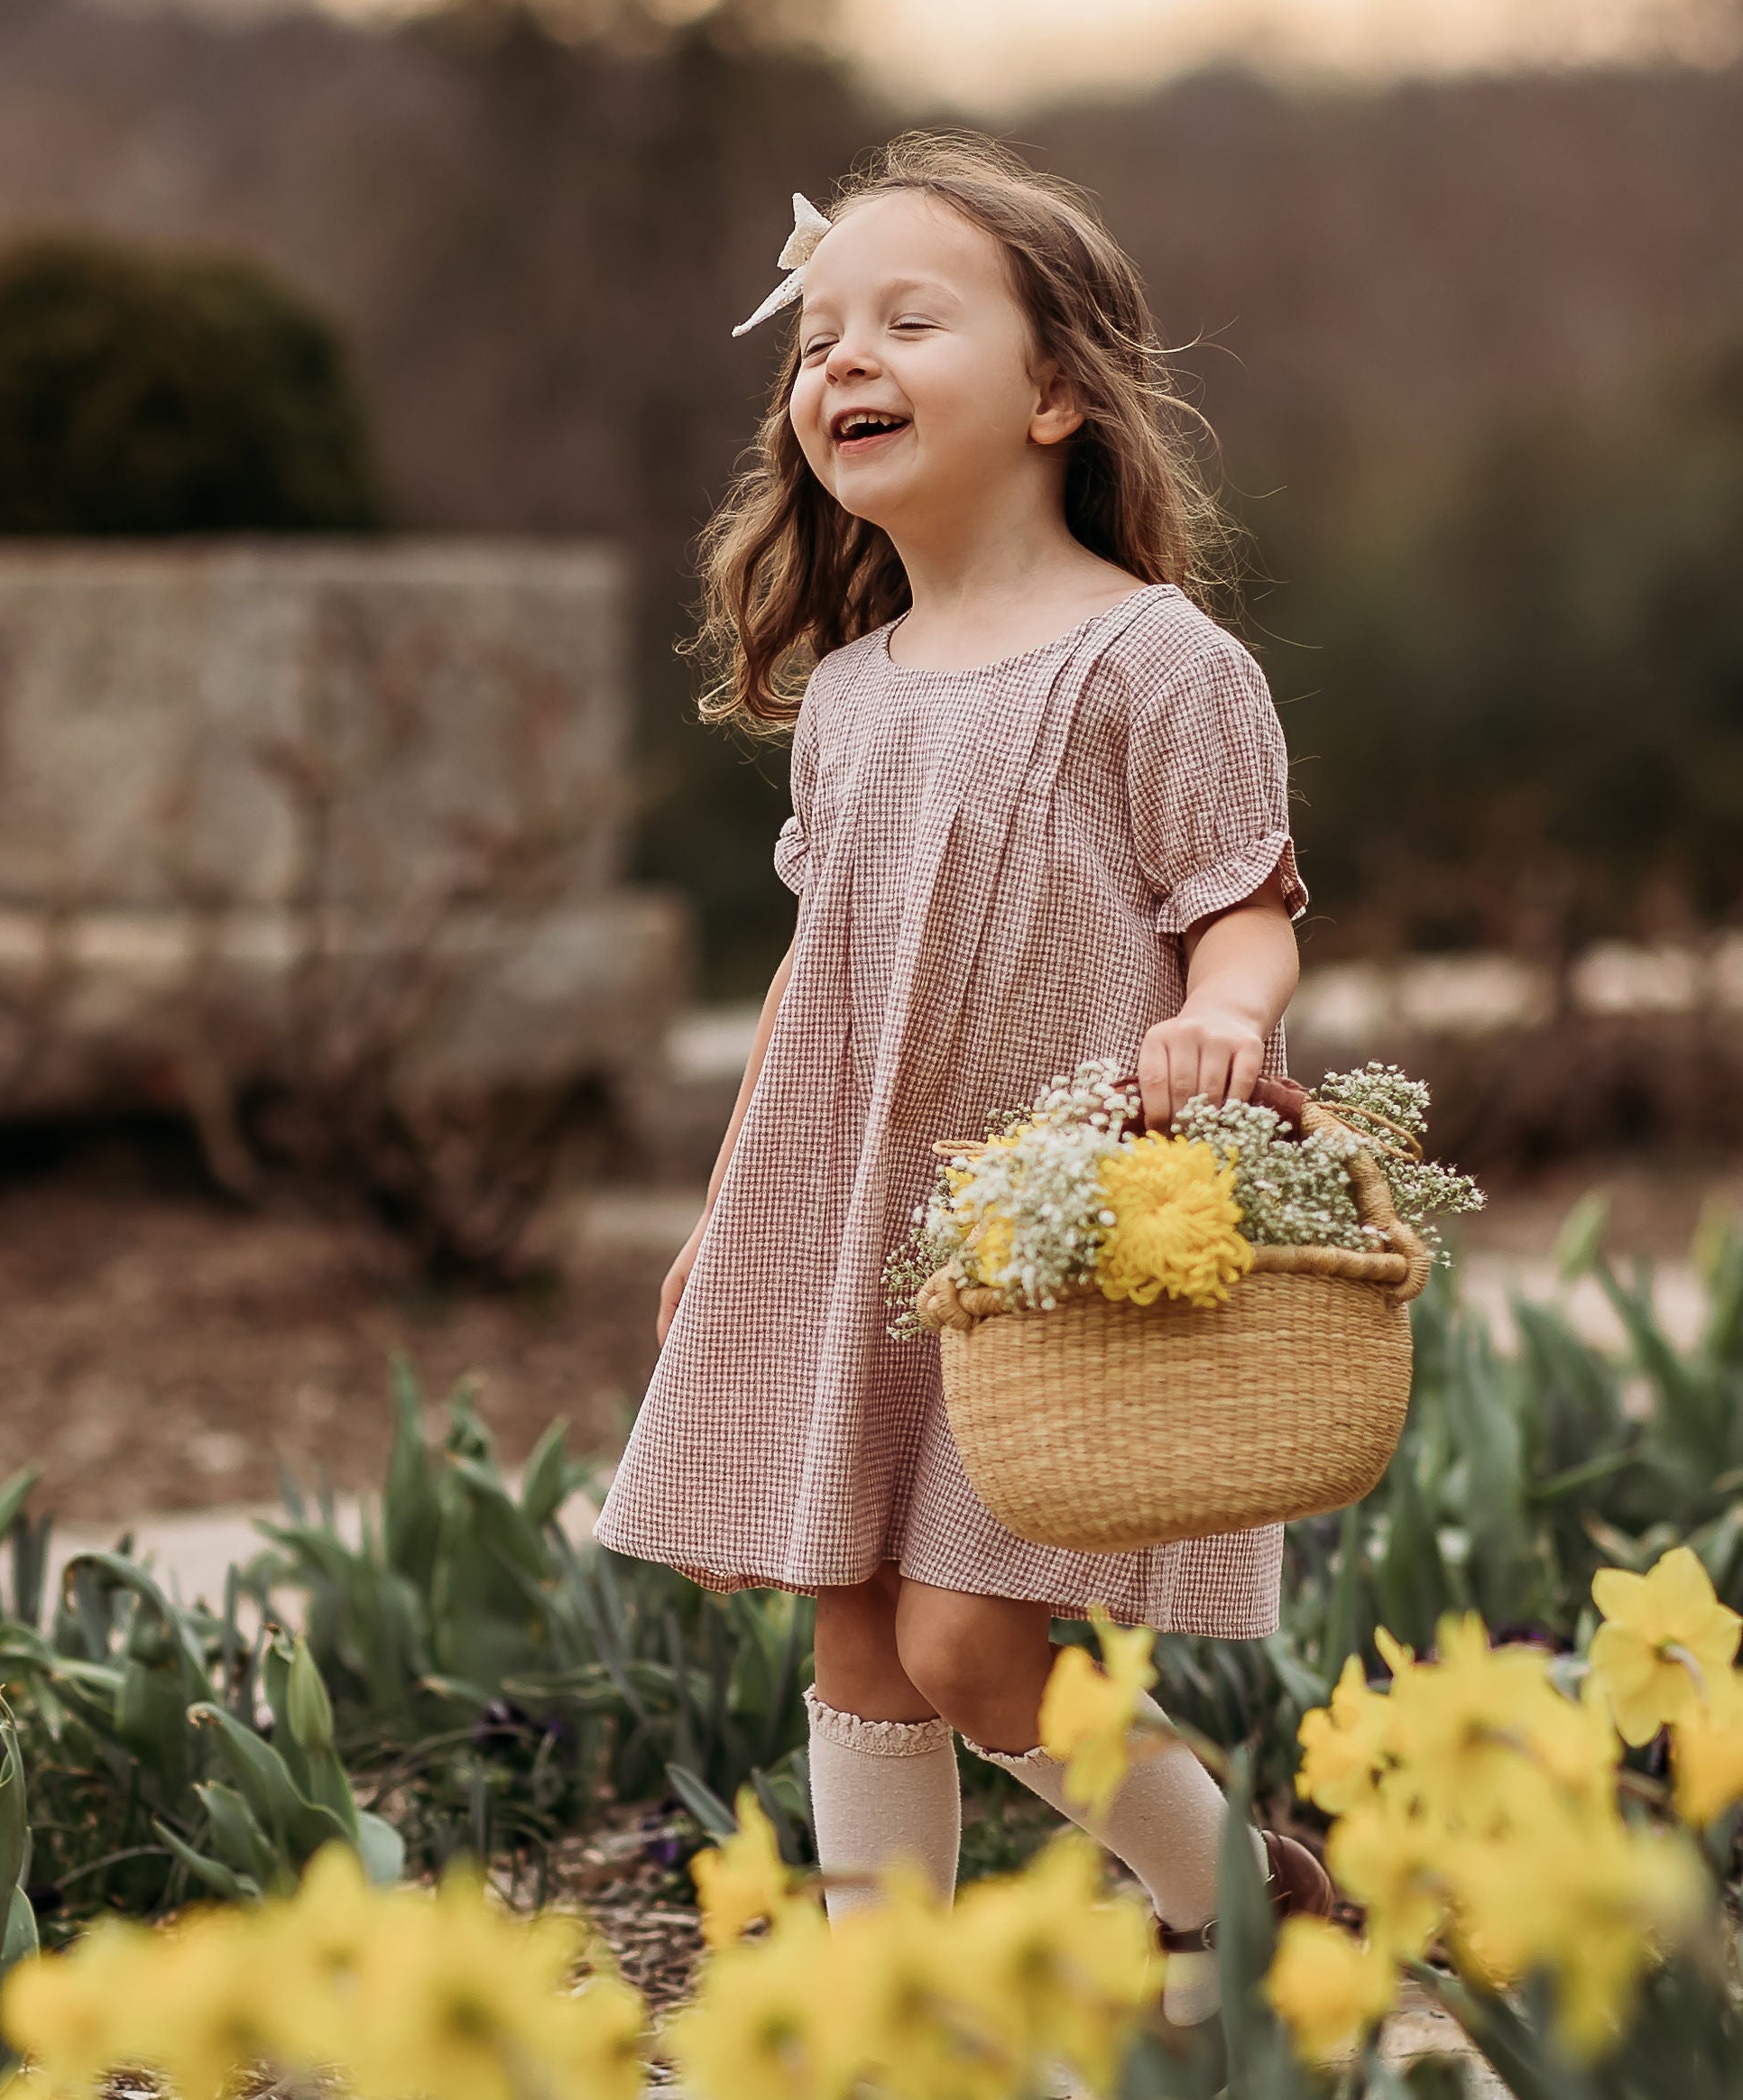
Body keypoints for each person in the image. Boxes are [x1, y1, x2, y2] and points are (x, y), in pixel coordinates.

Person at [595, 131, 1328, 2031]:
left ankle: (1236, 1898)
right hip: (863, 1218)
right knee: (856, 1628)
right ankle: (894, 2029)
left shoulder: (1155, 663)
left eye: (906, 322)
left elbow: (1243, 912)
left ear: (1058, 391)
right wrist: (726, 1218)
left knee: (971, 1647)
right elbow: (811, 980)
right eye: (814, 337)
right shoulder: (850, 696)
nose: (842, 358)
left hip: (1048, 1242)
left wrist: (1225, 1021)